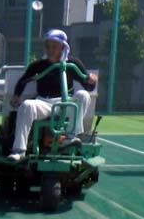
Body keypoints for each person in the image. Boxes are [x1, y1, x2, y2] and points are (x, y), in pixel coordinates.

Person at [8, 29, 98, 161]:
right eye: (48, 46)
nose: (50, 50)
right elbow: (23, 80)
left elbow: (88, 86)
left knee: (83, 95)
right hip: (44, 103)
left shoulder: (72, 64)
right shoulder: (38, 65)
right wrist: (16, 96)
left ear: (63, 46)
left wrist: (92, 80)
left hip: (65, 105)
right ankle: (19, 150)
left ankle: (70, 137)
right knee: (27, 105)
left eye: (54, 46)